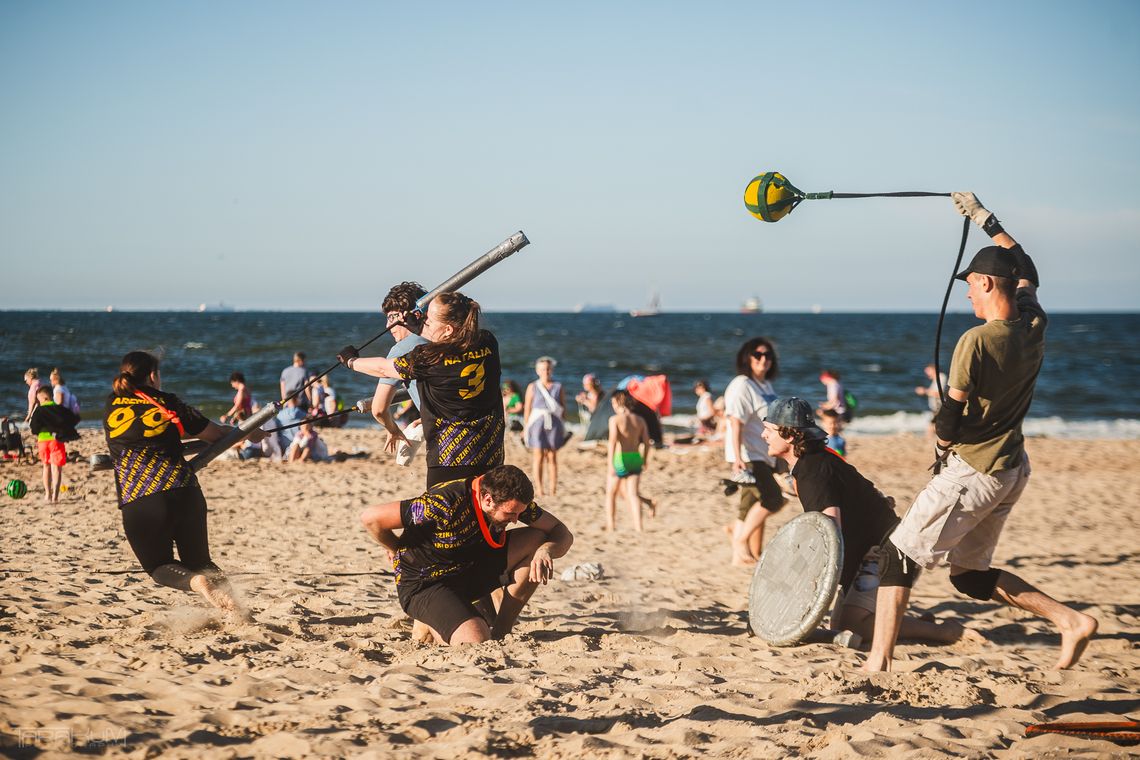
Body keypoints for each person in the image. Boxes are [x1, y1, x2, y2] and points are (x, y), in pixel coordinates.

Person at [863, 192, 1098, 672]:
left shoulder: (976, 341)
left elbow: (950, 416)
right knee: (969, 578)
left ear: (987, 282)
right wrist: (984, 219)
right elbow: (1026, 264)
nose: (967, 292)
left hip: (975, 469)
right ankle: (1070, 620)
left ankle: (878, 663)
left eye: (970, 285)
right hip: (1012, 466)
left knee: (897, 555)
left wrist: (941, 446)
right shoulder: (1033, 321)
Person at [762, 397, 980, 647]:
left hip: (887, 551)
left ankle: (946, 632)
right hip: (874, 548)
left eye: (769, 430)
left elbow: (830, 530)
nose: (763, 435)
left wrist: (811, 579)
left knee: (852, 626)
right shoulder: (815, 460)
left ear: (789, 436)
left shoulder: (812, 471)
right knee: (839, 625)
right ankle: (919, 623)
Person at [103, 350, 264, 616]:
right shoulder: (167, 402)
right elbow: (216, 434)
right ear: (153, 376)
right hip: (184, 489)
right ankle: (239, 610)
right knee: (201, 561)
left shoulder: (112, 403)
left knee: (158, 565)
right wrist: (250, 432)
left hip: (141, 497)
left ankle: (194, 583)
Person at [359, 464, 574, 645]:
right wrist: (395, 550)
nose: (516, 520)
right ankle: (432, 622)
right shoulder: (444, 502)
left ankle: (502, 631)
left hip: (468, 567)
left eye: (519, 513)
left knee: (537, 539)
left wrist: (546, 550)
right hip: (426, 583)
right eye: (510, 514)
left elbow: (562, 533)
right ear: (488, 500)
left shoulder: (510, 501)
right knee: (476, 641)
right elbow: (371, 518)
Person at [340, 291, 505, 488]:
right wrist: (417, 326)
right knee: (487, 511)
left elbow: (383, 368)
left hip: (451, 455)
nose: (424, 321)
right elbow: (455, 343)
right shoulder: (487, 341)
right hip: (491, 449)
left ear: (448, 330)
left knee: (445, 515)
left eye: (429, 319)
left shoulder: (429, 357)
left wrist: (351, 361)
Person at [724, 337, 785, 565]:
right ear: (747, 357)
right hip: (750, 455)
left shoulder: (765, 385)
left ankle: (739, 555)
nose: (764, 359)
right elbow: (735, 422)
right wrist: (737, 458)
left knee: (749, 505)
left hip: (766, 453)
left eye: (768, 355)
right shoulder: (742, 384)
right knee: (773, 499)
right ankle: (740, 541)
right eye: (758, 355)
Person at [370, 282, 430, 463]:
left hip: (444, 439)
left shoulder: (401, 350)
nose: (388, 325)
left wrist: (392, 429)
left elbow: (379, 409)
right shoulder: (440, 339)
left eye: (392, 317)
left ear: (409, 315)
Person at [605, 390, 653, 532]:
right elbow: (647, 442)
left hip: (620, 458)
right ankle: (639, 527)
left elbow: (612, 442)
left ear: (619, 401)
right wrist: (645, 460)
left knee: (611, 493)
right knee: (633, 494)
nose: (613, 406)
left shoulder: (615, 419)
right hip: (635, 457)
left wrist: (610, 463)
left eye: (613, 402)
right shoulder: (639, 420)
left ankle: (611, 525)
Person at [523, 356, 568, 497]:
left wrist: (563, 426)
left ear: (551, 370)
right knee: (538, 457)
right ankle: (540, 489)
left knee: (552, 456)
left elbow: (563, 408)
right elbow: (527, 409)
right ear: (537, 371)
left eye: (548, 369)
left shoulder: (558, 387)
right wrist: (526, 428)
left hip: (553, 424)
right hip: (537, 424)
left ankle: (553, 490)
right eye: (543, 369)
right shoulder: (532, 386)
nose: (546, 371)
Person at [29, 385, 79, 503]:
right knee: (56, 468)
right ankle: (55, 496)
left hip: (43, 441)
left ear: (44, 398)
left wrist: (40, 430)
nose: (39, 402)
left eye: (39, 399)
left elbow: (34, 428)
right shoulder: (59, 409)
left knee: (46, 467)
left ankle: (47, 494)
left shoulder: (39, 410)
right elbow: (72, 419)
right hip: (56, 440)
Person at [915, 363, 948, 439]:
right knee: (935, 427)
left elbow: (939, 394)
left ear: (933, 370)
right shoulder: (936, 379)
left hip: (940, 407)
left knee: (931, 427)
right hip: (936, 408)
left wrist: (924, 391)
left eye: (928, 371)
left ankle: (929, 441)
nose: (927, 374)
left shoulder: (941, 377)